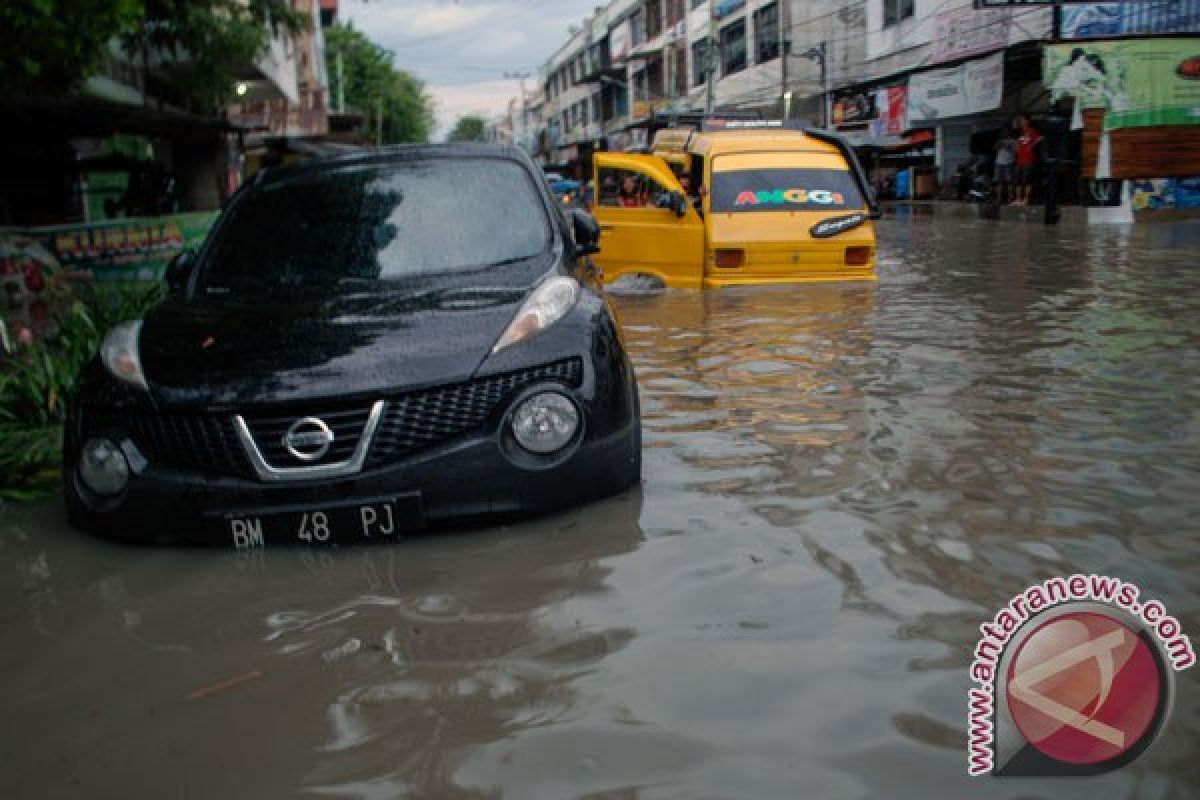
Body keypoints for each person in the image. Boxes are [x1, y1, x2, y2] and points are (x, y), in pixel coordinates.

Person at [1013, 116, 1042, 206]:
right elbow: (1017, 143)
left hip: (1028, 160)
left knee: (1027, 180)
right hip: (1019, 160)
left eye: (1023, 120)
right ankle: (1018, 199)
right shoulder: (1020, 132)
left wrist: (1031, 145)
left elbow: (1040, 138)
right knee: (1018, 181)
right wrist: (1017, 147)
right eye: (1020, 120)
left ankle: (1026, 199)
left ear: (1027, 121)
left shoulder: (1031, 130)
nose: (1021, 122)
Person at [993, 128, 1017, 205]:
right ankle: (998, 199)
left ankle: (1010, 198)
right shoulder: (999, 140)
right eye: (1003, 132)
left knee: (1009, 181)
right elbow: (994, 149)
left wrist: (1009, 147)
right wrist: (998, 144)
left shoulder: (1013, 140)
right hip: (999, 162)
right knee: (998, 181)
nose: (1004, 133)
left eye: (1005, 131)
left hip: (1008, 162)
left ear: (1009, 132)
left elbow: (1016, 150)